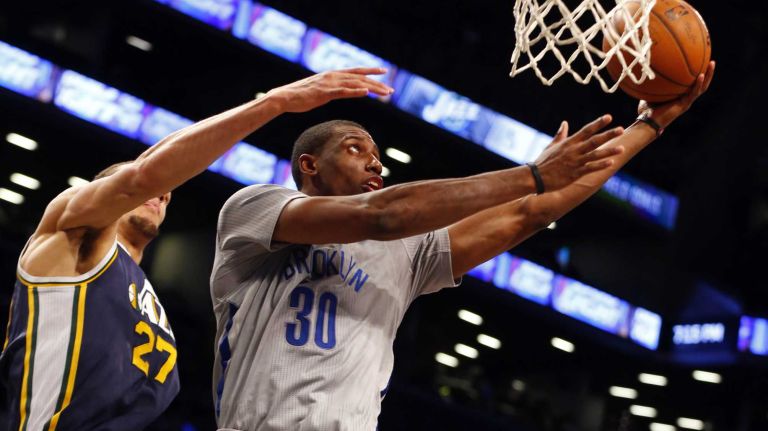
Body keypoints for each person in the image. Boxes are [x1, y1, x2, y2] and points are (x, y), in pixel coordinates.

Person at [210, 63, 715, 430]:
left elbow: (533, 210)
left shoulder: (406, 254)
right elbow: (382, 215)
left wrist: (651, 126)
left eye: (378, 155)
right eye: (355, 148)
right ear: (309, 166)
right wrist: (533, 174)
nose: (376, 163)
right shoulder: (256, 212)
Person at [0, 68, 395, 431]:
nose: (162, 193)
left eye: (167, 195)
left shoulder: (150, 304)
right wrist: (276, 102)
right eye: (147, 187)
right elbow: (144, 174)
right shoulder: (72, 230)